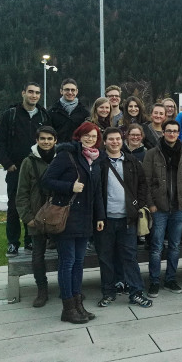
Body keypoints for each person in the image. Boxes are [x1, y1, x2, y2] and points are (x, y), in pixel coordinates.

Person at [42, 122, 105, 324]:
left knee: (79, 263)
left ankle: (78, 304)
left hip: (85, 219)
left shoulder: (94, 159)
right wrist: (70, 186)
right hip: (67, 219)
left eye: (93, 136)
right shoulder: (66, 155)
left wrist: (100, 217)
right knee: (67, 263)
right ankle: (67, 308)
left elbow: (97, 193)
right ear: (78, 136)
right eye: (86, 135)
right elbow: (46, 181)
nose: (90, 139)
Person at [95, 128, 153, 309]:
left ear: (123, 140)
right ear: (104, 142)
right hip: (105, 220)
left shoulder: (132, 161)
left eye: (118, 139)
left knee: (130, 257)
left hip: (128, 219)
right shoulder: (98, 163)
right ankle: (108, 292)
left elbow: (143, 184)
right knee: (106, 258)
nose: (115, 142)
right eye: (111, 139)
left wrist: (138, 206)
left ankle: (136, 292)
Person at [0, 81, 51, 257]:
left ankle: (30, 240)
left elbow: (49, 140)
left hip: (37, 169)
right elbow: (0, 143)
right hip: (16, 169)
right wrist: (8, 164)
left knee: (35, 205)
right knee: (13, 207)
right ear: (23, 93)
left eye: (37, 93)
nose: (34, 95)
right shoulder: (10, 115)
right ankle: (13, 242)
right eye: (31, 92)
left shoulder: (43, 115)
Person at [143, 119, 182, 297]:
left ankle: (171, 279)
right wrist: (151, 204)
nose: (172, 134)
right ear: (163, 132)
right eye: (169, 131)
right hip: (160, 207)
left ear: (178, 133)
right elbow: (146, 182)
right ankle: (154, 281)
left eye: (175, 131)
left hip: (179, 206)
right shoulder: (152, 154)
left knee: (174, 246)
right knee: (156, 247)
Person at [16, 126, 57, 307]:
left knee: (65, 254)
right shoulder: (28, 162)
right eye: (43, 138)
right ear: (37, 140)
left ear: (55, 140)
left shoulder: (62, 158)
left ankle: (69, 288)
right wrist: (28, 217)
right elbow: (21, 193)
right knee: (37, 255)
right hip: (37, 215)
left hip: (58, 215)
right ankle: (42, 289)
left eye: (50, 138)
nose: (46, 142)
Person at [48, 78, 90, 143]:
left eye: (72, 90)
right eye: (67, 90)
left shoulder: (85, 113)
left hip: (77, 150)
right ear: (61, 91)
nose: (70, 92)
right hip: (58, 150)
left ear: (77, 91)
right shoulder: (52, 112)